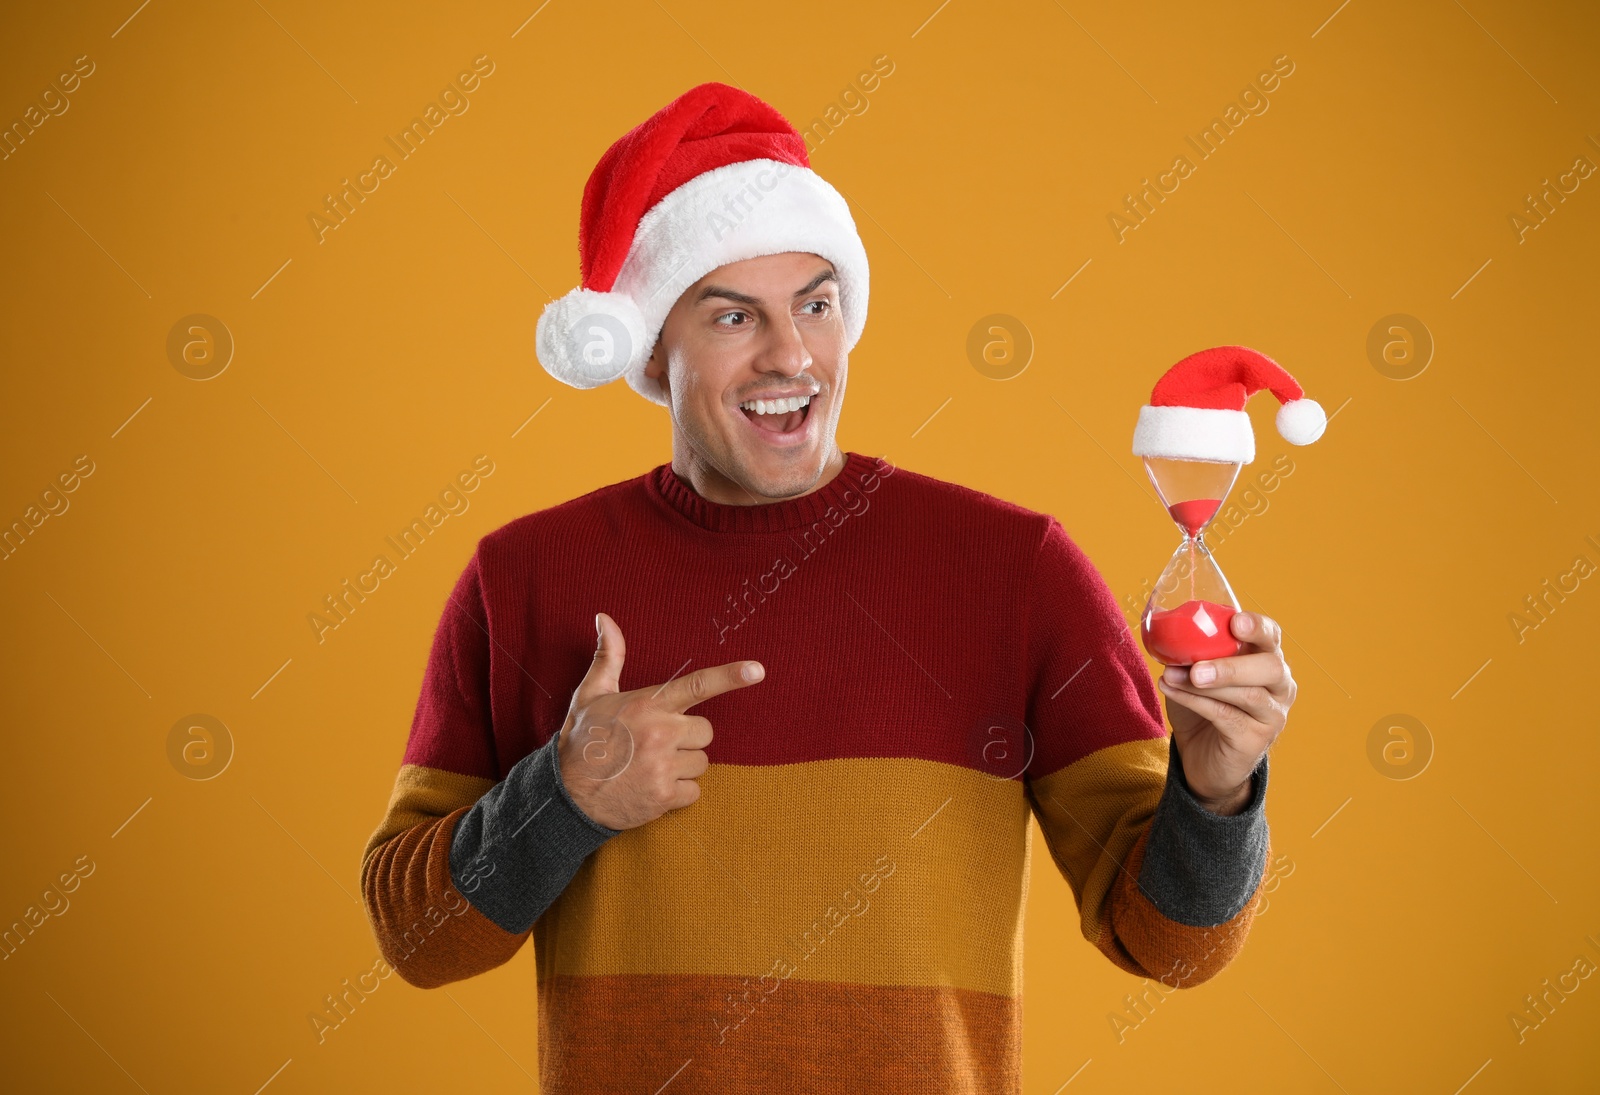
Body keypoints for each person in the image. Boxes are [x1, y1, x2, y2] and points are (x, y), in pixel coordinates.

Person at [359, 81, 1297, 1094]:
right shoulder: (526, 576)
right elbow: (420, 941)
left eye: (816, 302)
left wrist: (1214, 790)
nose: (791, 355)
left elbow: (1170, 947)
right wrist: (565, 798)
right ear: (652, 347)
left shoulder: (1014, 569)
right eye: (732, 316)